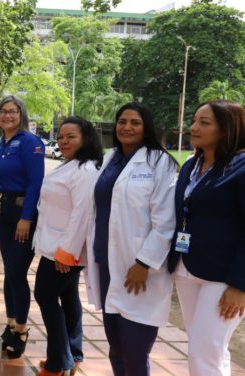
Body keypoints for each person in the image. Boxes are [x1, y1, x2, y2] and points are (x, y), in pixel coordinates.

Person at [86, 102, 177, 376]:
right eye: (122, 121)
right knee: (115, 346)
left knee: (135, 350)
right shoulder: (110, 158)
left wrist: (144, 263)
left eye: (135, 122)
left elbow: (166, 221)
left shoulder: (159, 162)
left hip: (138, 269)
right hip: (106, 263)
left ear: (146, 127)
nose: (127, 127)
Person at [167, 100, 245, 375]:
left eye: (204, 122)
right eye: (194, 120)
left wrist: (240, 285)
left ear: (226, 129)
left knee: (203, 351)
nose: (193, 127)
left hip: (224, 276)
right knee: (210, 348)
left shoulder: (241, 167)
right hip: (187, 265)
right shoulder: (191, 165)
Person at [32, 116, 103, 376]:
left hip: (64, 250)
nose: (63, 141)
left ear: (86, 138)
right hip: (56, 244)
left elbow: (82, 214)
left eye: (70, 136)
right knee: (68, 298)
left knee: (45, 295)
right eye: (61, 137)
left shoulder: (86, 170)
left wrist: (67, 252)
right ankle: (73, 354)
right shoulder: (71, 165)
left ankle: (58, 362)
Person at [0, 95, 44, 358]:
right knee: (8, 273)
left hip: (24, 212)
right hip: (6, 210)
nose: (7, 115)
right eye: (3, 111)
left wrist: (27, 217)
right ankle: (11, 323)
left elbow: (36, 183)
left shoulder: (30, 143)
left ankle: (22, 329)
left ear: (21, 114)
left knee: (16, 272)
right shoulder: (0, 145)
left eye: (12, 111)